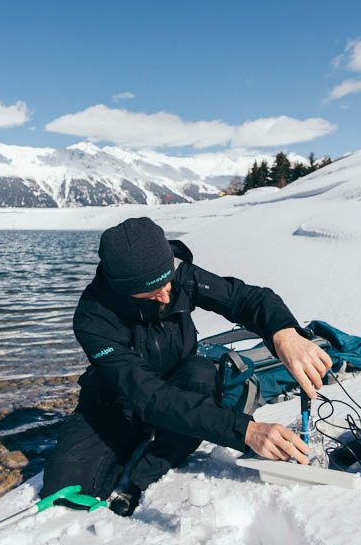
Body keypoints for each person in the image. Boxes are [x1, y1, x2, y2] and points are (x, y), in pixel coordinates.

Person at [41, 217, 332, 515]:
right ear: (123, 291)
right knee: (67, 487)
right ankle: (136, 438)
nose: (167, 295)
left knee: (202, 373)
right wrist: (245, 430)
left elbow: (247, 299)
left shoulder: (179, 277)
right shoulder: (93, 319)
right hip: (117, 398)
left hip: (181, 381)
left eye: (168, 282)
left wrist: (283, 333)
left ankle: (141, 481)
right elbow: (148, 395)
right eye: (153, 294)